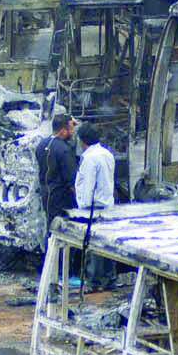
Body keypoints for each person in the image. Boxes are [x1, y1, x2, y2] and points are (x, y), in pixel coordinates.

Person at [73, 123, 118, 289]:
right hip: (107, 203)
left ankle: (93, 281)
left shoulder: (89, 158)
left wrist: (83, 206)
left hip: (93, 206)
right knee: (108, 243)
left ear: (82, 141)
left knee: (92, 245)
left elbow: (88, 184)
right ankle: (109, 279)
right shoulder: (107, 154)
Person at [35, 112, 76, 237]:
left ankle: (49, 251)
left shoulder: (41, 145)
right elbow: (70, 177)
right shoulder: (64, 149)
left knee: (50, 223)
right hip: (61, 196)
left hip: (46, 193)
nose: (73, 132)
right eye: (71, 129)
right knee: (61, 229)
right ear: (63, 131)